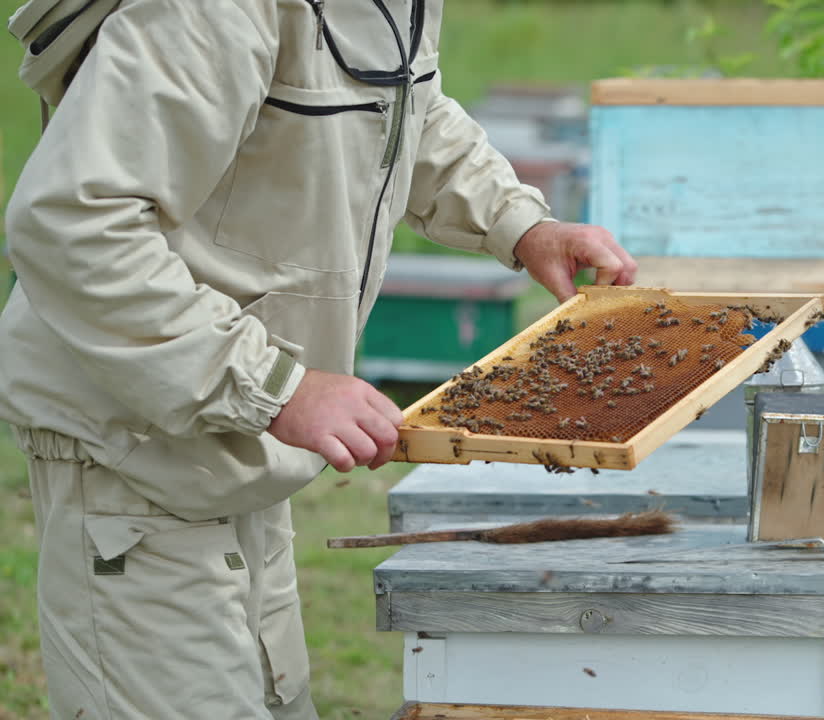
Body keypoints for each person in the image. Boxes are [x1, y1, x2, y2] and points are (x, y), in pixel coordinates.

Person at [0, 1, 637, 718]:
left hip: (237, 442)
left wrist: (522, 223)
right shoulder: (213, 10)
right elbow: (70, 221)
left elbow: (409, 110)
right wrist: (278, 386)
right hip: (129, 447)